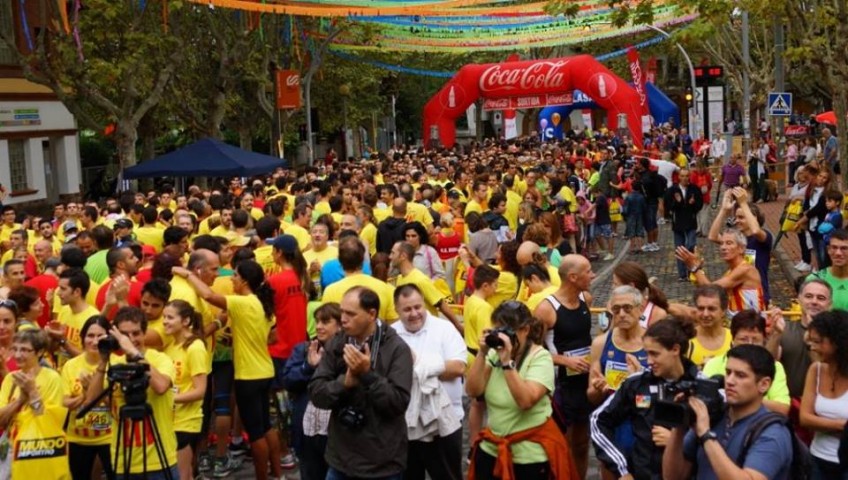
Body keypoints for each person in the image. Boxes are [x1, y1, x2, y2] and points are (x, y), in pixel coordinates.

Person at [172, 260, 283, 480]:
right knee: (266, 426)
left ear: (244, 280)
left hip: (248, 375)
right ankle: (277, 474)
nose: (230, 278)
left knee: (255, 433)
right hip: (265, 370)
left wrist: (187, 274)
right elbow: (273, 336)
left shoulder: (243, 303)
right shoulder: (263, 304)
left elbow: (209, 296)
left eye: (234, 274)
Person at [309, 287, 413, 480]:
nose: (343, 319)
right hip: (341, 459)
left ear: (372, 314)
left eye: (350, 314)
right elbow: (317, 393)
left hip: (382, 463)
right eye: (342, 312)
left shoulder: (396, 348)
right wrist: (344, 384)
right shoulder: (337, 343)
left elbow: (397, 403)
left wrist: (367, 375)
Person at [465, 300, 576, 480]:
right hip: (492, 449)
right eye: (498, 331)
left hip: (530, 455)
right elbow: (473, 391)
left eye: (508, 332)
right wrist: (482, 353)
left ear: (525, 330)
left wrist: (508, 364)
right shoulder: (494, 354)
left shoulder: (540, 357)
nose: (504, 338)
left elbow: (525, 401)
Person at [663, 345, 793, 479]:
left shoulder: (773, 432)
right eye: (728, 372)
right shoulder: (713, 416)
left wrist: (706, 436)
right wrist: (679, 425)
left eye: (740, 375)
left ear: (764, 384)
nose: (729, 381)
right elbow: (672, 476)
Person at [83, 306, 178, 479]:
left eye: (136, 333)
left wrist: (134, 353)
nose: (131, 339)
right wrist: (103, 361)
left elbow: (161, 386)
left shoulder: (159, 359)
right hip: (123, 461)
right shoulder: (114, 363)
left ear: (144, 333)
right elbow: (92, 401)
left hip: (159, 459)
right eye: (125, 335)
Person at [392, 284, 466, 480]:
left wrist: (415, 367)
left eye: (418, 307)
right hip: (404, 426)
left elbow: (458, 368)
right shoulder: (390, 335)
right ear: (396, 309)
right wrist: (434, 368)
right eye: (407, 309)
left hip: (445, 424)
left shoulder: (444, 329)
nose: (414, 313)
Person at [534, 254, 594, 478]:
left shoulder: (586, 299)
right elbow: (532, 351)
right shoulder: (546, 309)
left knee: (582, 442)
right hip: (561, 384)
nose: (592, 275)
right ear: (572, 277)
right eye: (588, 271)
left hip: (584, 379)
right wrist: (564, 360)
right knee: (563, 442)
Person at [282, 303, 341, 480]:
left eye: (325, 321)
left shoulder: (346, 350)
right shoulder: (304, 349)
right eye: (317, 321)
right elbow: (288, 381)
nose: (319, 326)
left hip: (336, 432)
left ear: (339, 325)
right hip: (306, 429)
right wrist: (308, 366)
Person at [703, 310, 790, 415]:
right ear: (733, 339)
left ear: (763, 340)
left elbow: (782, 408)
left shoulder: (775, 367)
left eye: (755, 339)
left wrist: (742, 398)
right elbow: (704, 401)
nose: (750, 344)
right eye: (743, 339)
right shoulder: (713, 364)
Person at [61, 315, 115, 480]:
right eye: (90, 336)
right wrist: (84, 396)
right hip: (78, 439)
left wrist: (96, 392)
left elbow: (118, 404)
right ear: (82, 338)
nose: (95, 341)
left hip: (110, 437)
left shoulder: (116, 363)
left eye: (100, 336)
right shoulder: (71, 365)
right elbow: (64, 402)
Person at [162, 300, 209, 480]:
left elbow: (200, 391)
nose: (165, 321)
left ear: (186, 321)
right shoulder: (171, 346)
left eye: (170, 317)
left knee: (181, 476)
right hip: (170, 421)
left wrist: (169, 400)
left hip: (187, 421)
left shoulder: (195, 348)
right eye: (164, 317)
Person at [800, 310, 848, 478]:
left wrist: (820, 423)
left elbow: (811, 419)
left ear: (837, 342)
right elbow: (804, 418)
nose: (812, 347)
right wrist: (842, 426)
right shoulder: (816, 370)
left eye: (818, 342)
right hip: (818, 459)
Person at [676, 228, 764, 315]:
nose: (723, 247)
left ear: (741, 248)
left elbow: (710, 290)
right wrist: (697, 269)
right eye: (721, 244)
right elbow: (708, 291)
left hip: (750, 326)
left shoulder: (745, 269)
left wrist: (694, 268)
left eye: (729, 243)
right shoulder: (730, 272)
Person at [391, 241, 461, 332]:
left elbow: (441, 304)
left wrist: (458, 326)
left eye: (393, 253)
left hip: (427, 331)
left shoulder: (420, 280)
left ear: (403, 256)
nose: (390, 256)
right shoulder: (399, 278)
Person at [665, 169, 703, 281]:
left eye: (687, 176)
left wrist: (693, 203)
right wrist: (677, 202)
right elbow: (668, 206)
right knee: (680, 249)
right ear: (679, 177)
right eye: (682, 176)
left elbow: (699, 204)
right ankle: (682, 274)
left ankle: (691, 269)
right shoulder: (673, 190)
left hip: (690, 221)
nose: (685, 178)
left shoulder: (694, 189)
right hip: (678, 222)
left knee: (691, 245)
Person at [611, 261, 668, 328]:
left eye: (616, 284)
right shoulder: (615, 309)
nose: (613, 287)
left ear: (631, 286)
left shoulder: (657, 314)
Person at [808, 229, 848, 310]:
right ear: (828, 250)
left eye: (844, 248)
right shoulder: (814, 280)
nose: (838, 253)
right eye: (834, 247)